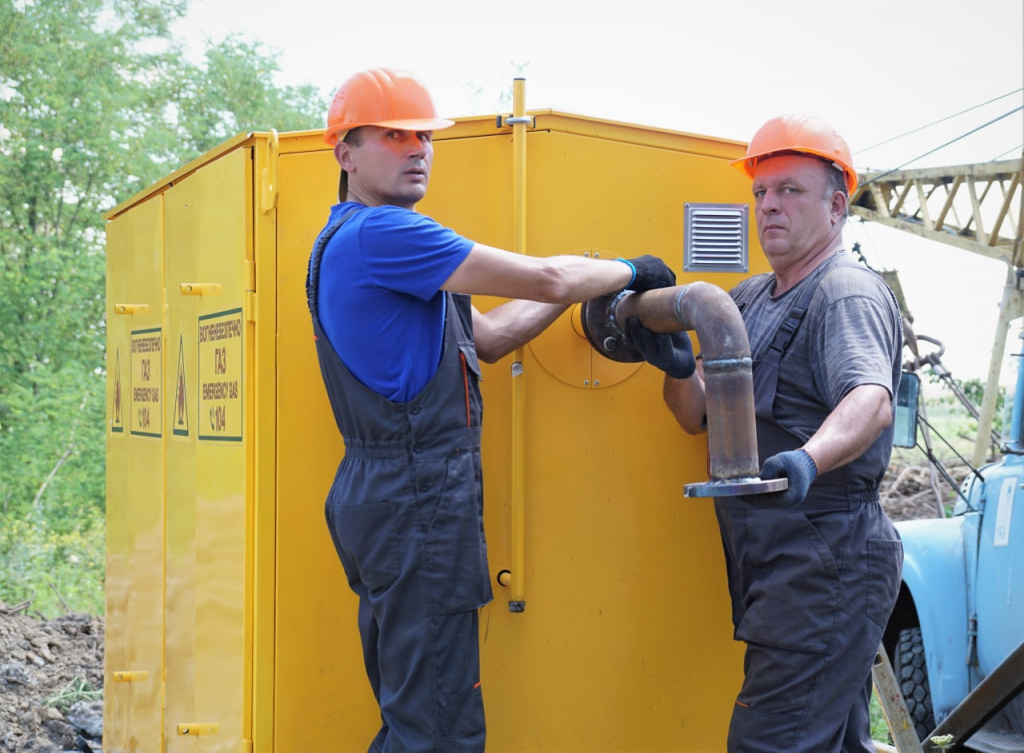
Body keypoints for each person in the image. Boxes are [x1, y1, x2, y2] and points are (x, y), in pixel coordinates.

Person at [304, 67, 676, 753]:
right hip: (415, 497)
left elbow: (493, 336)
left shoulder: (359, 243)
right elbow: (549, 275)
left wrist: (582, 292)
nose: (417, 148)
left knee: (415, 714)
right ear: (345, 153)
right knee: (439, 731)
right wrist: (634, 270)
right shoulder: (386, 235)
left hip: (385, 497)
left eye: (424, 136)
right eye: (393, 135)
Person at [628, 114, 904, 752]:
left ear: (837, 206)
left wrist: (806, 461)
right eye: (760, 193)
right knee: (833, 741)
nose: (769, 206)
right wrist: (672, 365)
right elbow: (694, 412)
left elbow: (871, 400)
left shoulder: (843, 292)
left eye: (790, 191)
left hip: (826, 552)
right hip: (781, 558)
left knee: (769, 741)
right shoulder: (751, 297)